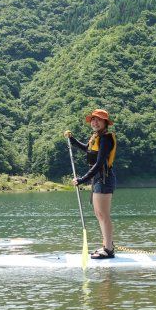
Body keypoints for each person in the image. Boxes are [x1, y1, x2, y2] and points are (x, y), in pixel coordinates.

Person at [65, 109, 117, 258]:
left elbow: (100, 163)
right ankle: (107, 245)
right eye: (93, 119)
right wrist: (72, 140)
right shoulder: (96, 137)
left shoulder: (106, 139)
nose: (95, 122)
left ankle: (108, 250)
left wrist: (82, 179)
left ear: (105, 123)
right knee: (98, 213)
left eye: (98, 120)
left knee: (103, 214)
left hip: (104, 178)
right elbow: (87, 149)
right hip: (98, 179)